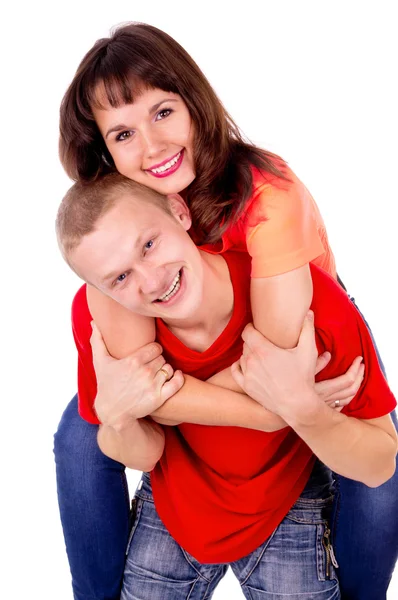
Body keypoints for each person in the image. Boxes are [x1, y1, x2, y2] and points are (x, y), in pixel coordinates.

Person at [54, 22, 398, 600]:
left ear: (194, 101)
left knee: (377, 461)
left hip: (293, 314)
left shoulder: (270, 197)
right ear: (105, 152)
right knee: (80, 438)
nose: (152, 147)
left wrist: (282, 408)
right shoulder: (114, 228)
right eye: (123, 134)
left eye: (163, 112)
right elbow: (141, 379)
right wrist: (123, 403)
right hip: (187, 340)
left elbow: (275, 365)